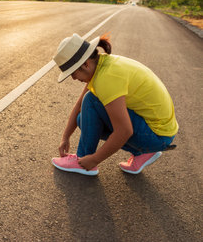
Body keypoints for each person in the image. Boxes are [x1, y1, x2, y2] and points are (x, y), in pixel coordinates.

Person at [51, 33, 178, 176]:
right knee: (83, 118)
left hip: (157, 135)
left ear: (85, 64)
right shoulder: (103, 64)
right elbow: (79, 105)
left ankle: (82, 162)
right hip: (160, 132)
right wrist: (65, 137)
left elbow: (124, 131)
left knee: (91, 100)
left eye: (73, 73)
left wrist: (93, 159)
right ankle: (141, 153)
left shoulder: (107, 77)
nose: (73, 78)